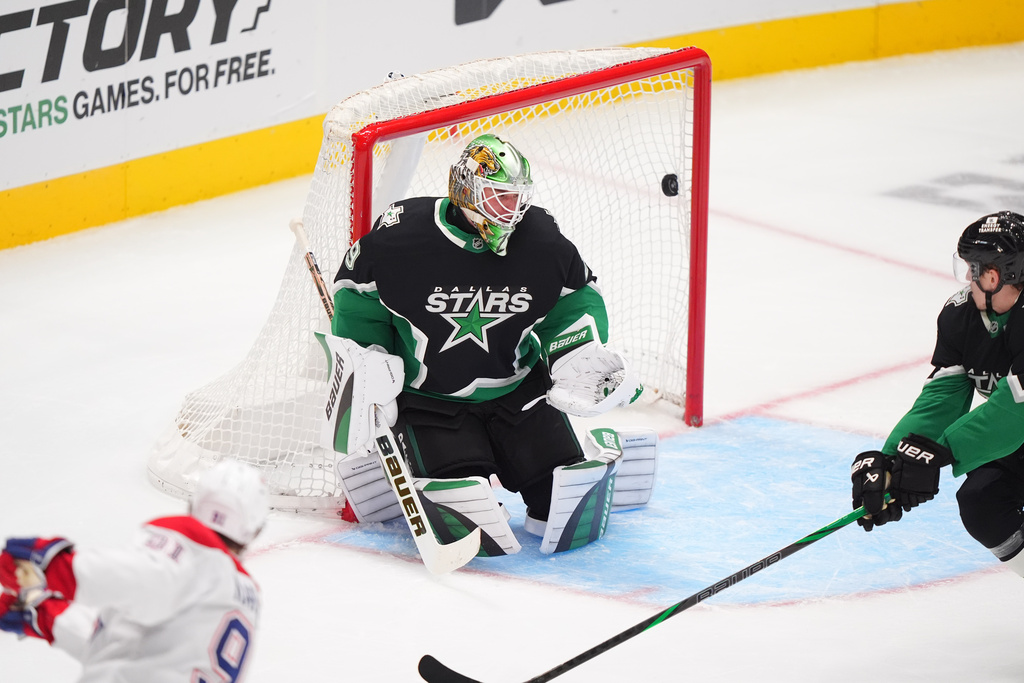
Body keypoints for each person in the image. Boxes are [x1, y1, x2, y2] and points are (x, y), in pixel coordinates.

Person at [322, 133, 652, 555]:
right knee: (470, 522)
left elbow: (574, 299)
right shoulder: (400, 239)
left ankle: (598, 452)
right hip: (431, 403)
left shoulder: (540, 241)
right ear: (465, 190)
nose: (511, 212)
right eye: (499, 198)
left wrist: (575, 353)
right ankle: (425, 470)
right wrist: (369, 368)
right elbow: (358, 300)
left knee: (565, 510)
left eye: (517, 199)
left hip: (519, 394)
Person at [851, 210, 1024, 576]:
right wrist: (892, 461)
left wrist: (938, 454)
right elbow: (942, 397)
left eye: (972, 268)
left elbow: (1014, 414)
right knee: (983, 501)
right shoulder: (962, 317)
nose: (966, 277)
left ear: (994, 275)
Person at [0, 460, 269, 682]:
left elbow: (137, 579)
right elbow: (130, 649)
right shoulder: (243, 596)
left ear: (193, 504)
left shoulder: (192, 555)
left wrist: (53, 566)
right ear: (254, 530)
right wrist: (48, 614)